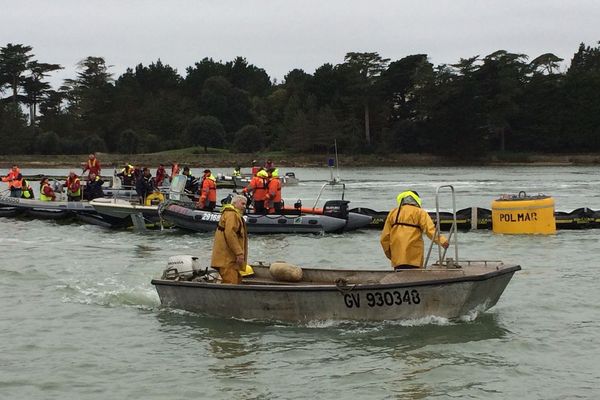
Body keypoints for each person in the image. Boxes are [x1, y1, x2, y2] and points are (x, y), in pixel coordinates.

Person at [380, 191, 449, 270]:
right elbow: (430, 230)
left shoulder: (393, 213)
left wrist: (391, 255)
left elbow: (384, 238)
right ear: (417, 200)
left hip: (397, 256)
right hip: (414, 255)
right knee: (415, 276)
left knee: (399, 276)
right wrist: (443, 241)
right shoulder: (420, 213)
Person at [210, 194, 248, 284]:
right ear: (234, 203)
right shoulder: (232, 215)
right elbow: (230, 234)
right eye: (242, 204)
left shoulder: (231, 214)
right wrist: (239, 253)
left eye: (245, 204)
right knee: (231, 283)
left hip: (230, 260)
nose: (244, 206)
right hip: (227, 260)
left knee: (237, 280)